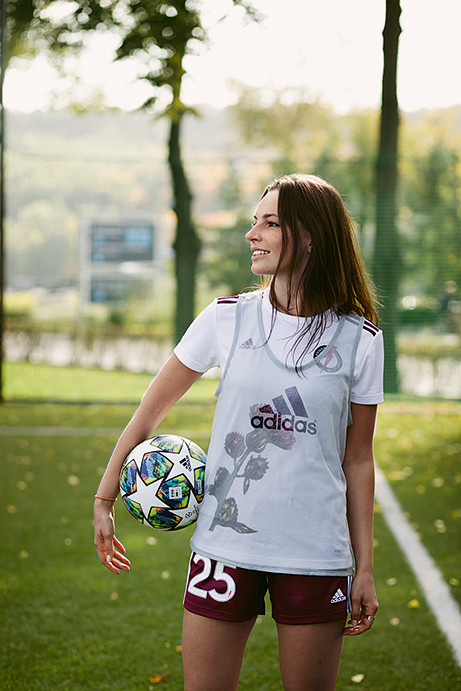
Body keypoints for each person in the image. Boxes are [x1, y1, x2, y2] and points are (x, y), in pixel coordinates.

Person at [94, 173, 383, 691]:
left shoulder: (359, 338)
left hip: (315, 553)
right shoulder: (226, 318)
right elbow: (150, 411)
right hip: (223, 549)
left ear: (310, 236)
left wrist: (364, 569)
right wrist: (105, 495)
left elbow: (358, 458)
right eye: (255, 221)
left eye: (270, 223)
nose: (252, 234)